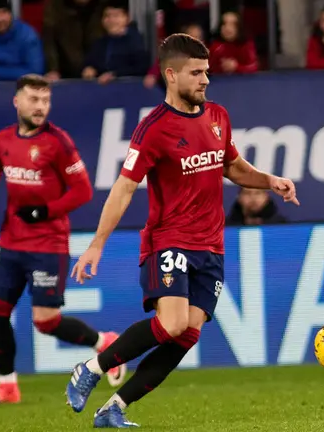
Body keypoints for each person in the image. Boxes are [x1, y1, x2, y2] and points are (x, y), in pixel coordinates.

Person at [65, 33, 299, 428]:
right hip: (169, 240)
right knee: (172, 324)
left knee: (187, 334)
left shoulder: (218, 116)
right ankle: (90, 368)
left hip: (212, 246)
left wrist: (269, 180)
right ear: (171, 75)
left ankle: (114, 408)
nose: (205, 80)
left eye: (206, 71)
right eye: (196, 73)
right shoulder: (153, 129)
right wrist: (96, 245)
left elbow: (232, 166)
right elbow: (124, 188)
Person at [0, 74, 126, 406]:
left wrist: (45, 211)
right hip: (10, 241)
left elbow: (83, 190)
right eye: (34, 99)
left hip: (48, 244)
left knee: (46, 322)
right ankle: (7, 387)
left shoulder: (58, 142)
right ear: (17, 101)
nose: (40, 107)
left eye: (45, 100)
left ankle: (104, 343)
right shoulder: (3, 138)